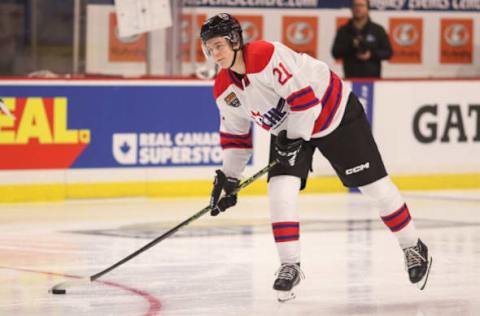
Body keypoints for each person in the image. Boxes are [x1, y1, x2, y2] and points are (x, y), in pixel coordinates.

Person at [201, 13, 432, 302]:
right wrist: (229, 177)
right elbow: (236, 137)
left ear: (236, 41)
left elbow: (304, 101)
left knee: (375, 188)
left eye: (219, 45)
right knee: (280, 189)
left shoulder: (266, 55)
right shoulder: (224, 89)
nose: (214, 54)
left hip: (332, 112)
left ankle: (412, 245)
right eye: (209, 49)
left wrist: (294, 141)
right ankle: (290, 264)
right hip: (289, 127)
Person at [331, 0, 392, 78]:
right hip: (350, 80)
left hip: (374, 81)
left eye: (361, 5)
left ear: (367, 8)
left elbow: (388, 52)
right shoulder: (344, 30)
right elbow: (335, 53)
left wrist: (371, 54)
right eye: (356, 5)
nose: (358, 8)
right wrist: (351, 46)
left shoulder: (377, 30)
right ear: (351, 8)